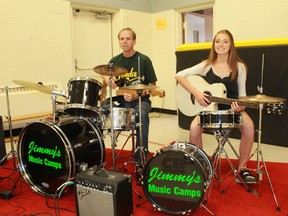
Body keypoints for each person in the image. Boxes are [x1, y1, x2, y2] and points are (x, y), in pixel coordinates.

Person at [175, 29, 256, 184]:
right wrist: (197, 93)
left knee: (249, 126)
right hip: (209, 109)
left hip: (231, 108)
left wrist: (241, 106)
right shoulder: (206, 65)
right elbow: (179, 75)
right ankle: (201, 165)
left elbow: (243, 95)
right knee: (194, 128)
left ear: (231, 44)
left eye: (225, 41)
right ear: (214, 44)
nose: (221, 45)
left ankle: (242, 168)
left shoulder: (240, 67)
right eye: (218, 41)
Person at [101, 27, 157, 179]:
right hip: (121, 99)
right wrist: (107, 79)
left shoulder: (144, 60)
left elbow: (152, 86)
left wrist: (136, 96)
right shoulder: (115, 61)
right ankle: (98, 155)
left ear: (134, 41)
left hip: (140, 99)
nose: (125, 42)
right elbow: (105, 77)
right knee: (102, 109)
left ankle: (140, 160)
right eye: (122, 39)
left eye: (128, 39)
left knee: (141, 113)